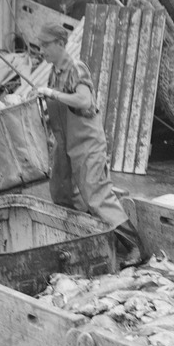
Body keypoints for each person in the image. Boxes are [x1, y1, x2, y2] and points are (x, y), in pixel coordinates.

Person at [34, 23, 148, 268]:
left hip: (87, 144)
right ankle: (87, 239)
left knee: (97, 196)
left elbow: (84, 100)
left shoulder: (76, 69)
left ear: (61, 44)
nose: (41, 50)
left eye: (46, 45)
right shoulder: (54, 73)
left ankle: (135, 246)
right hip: (64, 146)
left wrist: (52, 94)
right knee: (61, 193)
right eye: (40, 45)